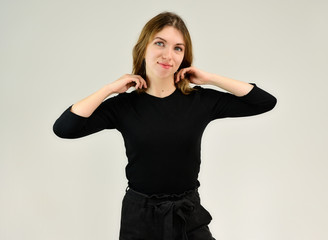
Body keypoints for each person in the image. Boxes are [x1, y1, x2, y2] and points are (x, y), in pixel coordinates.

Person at [53, 11, 277, 240]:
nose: (168, 55)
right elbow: (65, 128)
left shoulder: (200, 101)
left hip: (186, 214)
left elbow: (265, 102)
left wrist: (210, 78)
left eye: (178, 48)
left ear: (184, 57)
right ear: (144, 48)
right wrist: (109, 89)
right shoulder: (124, 106)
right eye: (160, 43)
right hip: (140, 217)